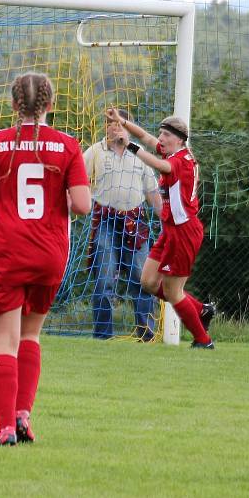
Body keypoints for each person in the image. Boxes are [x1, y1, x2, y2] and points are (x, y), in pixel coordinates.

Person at [0, 72, 91, 446]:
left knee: (4, 340)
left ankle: (5, 428)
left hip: (9, 251)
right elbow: (83, 205)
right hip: (50, 253)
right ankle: (23, 416)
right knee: (31, 334)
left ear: (13, 104)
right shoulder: (68, 145)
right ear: (50, 105)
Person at [104, 108, 215, 348]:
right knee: (148, 282)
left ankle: (203, 340)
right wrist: (122, 121)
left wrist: (129, 145)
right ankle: (201, 310)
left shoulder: (180, 162)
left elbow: (157, 164)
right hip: (171, 231)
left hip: (184, 232)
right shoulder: (175, 153)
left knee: (174, 293)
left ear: (179, 139)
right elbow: (145, 137)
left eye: (165, 135)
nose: (161, 138)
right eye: (161, 133)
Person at [83, 109, 162, 341]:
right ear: (105, 127)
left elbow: (152, 193)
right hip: (105, 221)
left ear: (128, 128)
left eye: (119, 124)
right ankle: (103, 337)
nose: (115, 128)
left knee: (143, 279)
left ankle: (146, 335)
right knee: (105, 280)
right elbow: (78, 182)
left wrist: (168, 221)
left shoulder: (140, 154)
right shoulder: (94, 152)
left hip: (134, 222)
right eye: (110, 124)